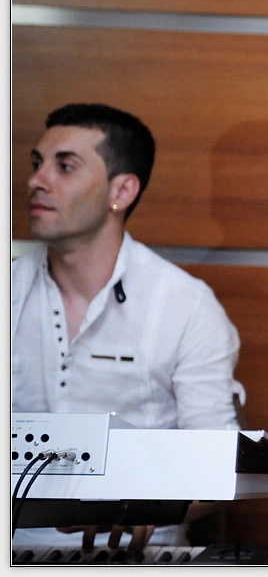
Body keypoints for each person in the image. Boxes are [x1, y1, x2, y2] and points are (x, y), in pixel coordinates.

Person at [11, 103, 242, 554]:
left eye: (65, 166)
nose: (37, 180)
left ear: (122, 190)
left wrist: (144, 504)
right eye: (38, 163)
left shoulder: (186, 305)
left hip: (143, 553)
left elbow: (219, 465)